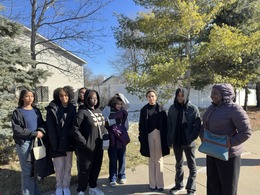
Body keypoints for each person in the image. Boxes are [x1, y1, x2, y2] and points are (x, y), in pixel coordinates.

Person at [201, 83, 251, 195]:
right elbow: (204, 125)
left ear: (225, 94)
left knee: (228, 188)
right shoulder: (212, 107)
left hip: (229, 156)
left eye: (215, 94)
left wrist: (229, 143)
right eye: (212, 93)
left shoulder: (235, 110)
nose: (212, 96)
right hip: (212, 152)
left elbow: (246, 132)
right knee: (213, 186)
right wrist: (203, 136)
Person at [72, 89, 107, 195]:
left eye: (96, 98)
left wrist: (106, 136)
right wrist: (84, 143)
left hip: (98, 146)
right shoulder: (82, 112)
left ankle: (93, 187)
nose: (94, 100)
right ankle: (81, 190)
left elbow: (103, 127)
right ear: (87, 99)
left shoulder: (99, 111)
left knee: (96, 167)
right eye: (91, 98)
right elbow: (75, 129)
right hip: (86, 148)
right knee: (85, 169)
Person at [167, 87, 201, 195]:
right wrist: (170, 139)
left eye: (182, 96)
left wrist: (192, 137)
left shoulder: (193, 109)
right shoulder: (172, 108)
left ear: (186, 96)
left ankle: (191, 188)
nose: (180, 98)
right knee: (178, 164)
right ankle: (179, 184)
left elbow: (197, 125)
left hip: (188, 142)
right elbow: (169, 125)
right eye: (178, 96)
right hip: (177, 141)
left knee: (192, 166)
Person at [11, 89, 45, 195]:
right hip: (24, 144)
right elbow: (18, 130)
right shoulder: (18, 112)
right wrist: (34, 134)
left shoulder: (36, 110)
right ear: (22, 98)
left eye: (32, 96)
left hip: (36, 143)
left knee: (34, 170)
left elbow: (42, 124)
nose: (30, 98)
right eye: (27, 96)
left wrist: (41, 130)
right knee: (27, 171)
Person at [45, 86, 77, 195]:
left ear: (70, 96)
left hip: (69, 142)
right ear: (58, 96)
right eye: (61, 96)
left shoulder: (73, 107)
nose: (64, 98)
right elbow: (50, 128)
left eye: (66, 95)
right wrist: (54, 144)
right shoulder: (52, 108)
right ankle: (59, 186)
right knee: (59, 167)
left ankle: (66, 185)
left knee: (68, 166)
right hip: (57, 143)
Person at [138, 89, 170, 192]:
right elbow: (141, 125)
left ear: (156, 97)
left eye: (152, 96)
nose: (151, 98)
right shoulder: (144, 110)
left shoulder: (161, 109)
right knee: (151, 159)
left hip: (160, 135)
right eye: (149, 96)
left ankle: (160, 184)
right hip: (149, 136)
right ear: (147, 98)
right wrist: (141, 137)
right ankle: (152, 184)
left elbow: (166, 124)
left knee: (159, 159)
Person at [102, 93, 130, 187]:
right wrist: (113, 124)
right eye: (117, 103)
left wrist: (121, 95)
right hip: (111, 138)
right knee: (113, 158)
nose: (119, 105)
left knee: (122, 157)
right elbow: (103, 121)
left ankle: (122, 175)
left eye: (121, 104)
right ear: (113, 103)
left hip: (121, 137)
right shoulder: (108, 109)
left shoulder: (124, 111)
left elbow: (126, 125)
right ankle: (112, 177)